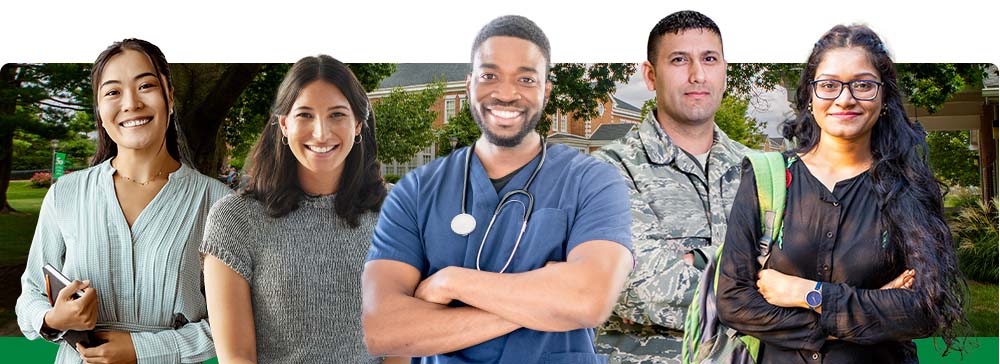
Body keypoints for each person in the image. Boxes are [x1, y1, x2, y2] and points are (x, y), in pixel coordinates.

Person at [362, 15, 634, 363]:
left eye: (525, 78)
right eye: (490, 75)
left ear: (545, 91)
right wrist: (550, 301)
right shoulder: (414, 192)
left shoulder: (593, 181)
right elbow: (383, 331)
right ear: (469, 84)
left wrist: (450, 283)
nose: (506, 93)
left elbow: (589, 299)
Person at [716, 24, 967, 363]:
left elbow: (925, 308)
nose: (845, 98)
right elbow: (734, 302)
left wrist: (809, 294)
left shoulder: (907, 185)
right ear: (810, 95)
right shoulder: (765, 178)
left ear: (884, 97)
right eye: (829, 85)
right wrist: (865, 313)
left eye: (863, 85)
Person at [15, 38, 230, 363]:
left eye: (145, 85)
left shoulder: (218, 204)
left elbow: (233, 322)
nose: (131, 103)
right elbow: (30, 292)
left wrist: (140, 349)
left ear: (170, 97)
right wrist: (53, 319)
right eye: (113, 92)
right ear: (100, 111)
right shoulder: (66, 193)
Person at [200, 55, 388, 363]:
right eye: (305, 115)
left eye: (337, 115)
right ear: (284, 125)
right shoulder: (233, 220)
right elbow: (237, 357)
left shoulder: (398, 212)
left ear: (357, 125)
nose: (321, 133)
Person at [592, 10, 749, 364]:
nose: (697, 75)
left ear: (725, 70)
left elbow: (807, 266)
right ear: (651, 75)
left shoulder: (759, 169)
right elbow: (642, 289)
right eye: (679, 60)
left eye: (709, 59)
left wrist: (700, 260)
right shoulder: (606, 171)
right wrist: (759, 274)